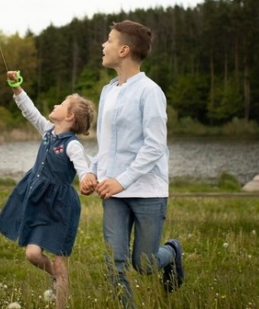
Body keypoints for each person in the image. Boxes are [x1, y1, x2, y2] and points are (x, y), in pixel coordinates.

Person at [78, 20, 184, 307]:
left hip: (148, 191)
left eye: (109, 40)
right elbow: (107, 147)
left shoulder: (150, 92)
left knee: (146, 264)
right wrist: (91, 172)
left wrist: (122, 180)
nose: (103, 45)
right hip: (111, 193)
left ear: (124, 50)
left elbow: (154, 147)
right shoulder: (107, 91)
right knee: (115, 261)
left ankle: (172, 253)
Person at [0, 71, 97, 309]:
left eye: (61, 104)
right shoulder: (48, 131)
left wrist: (87, 178)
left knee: (61, 263)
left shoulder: (72, 145)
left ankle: (60, 293)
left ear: (69, 116)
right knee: (32, 254)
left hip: (61, 207)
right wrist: (17, 88)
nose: (55, 104)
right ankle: (54, 276)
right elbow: (29, 111)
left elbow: (83, 167)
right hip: (39, 200)